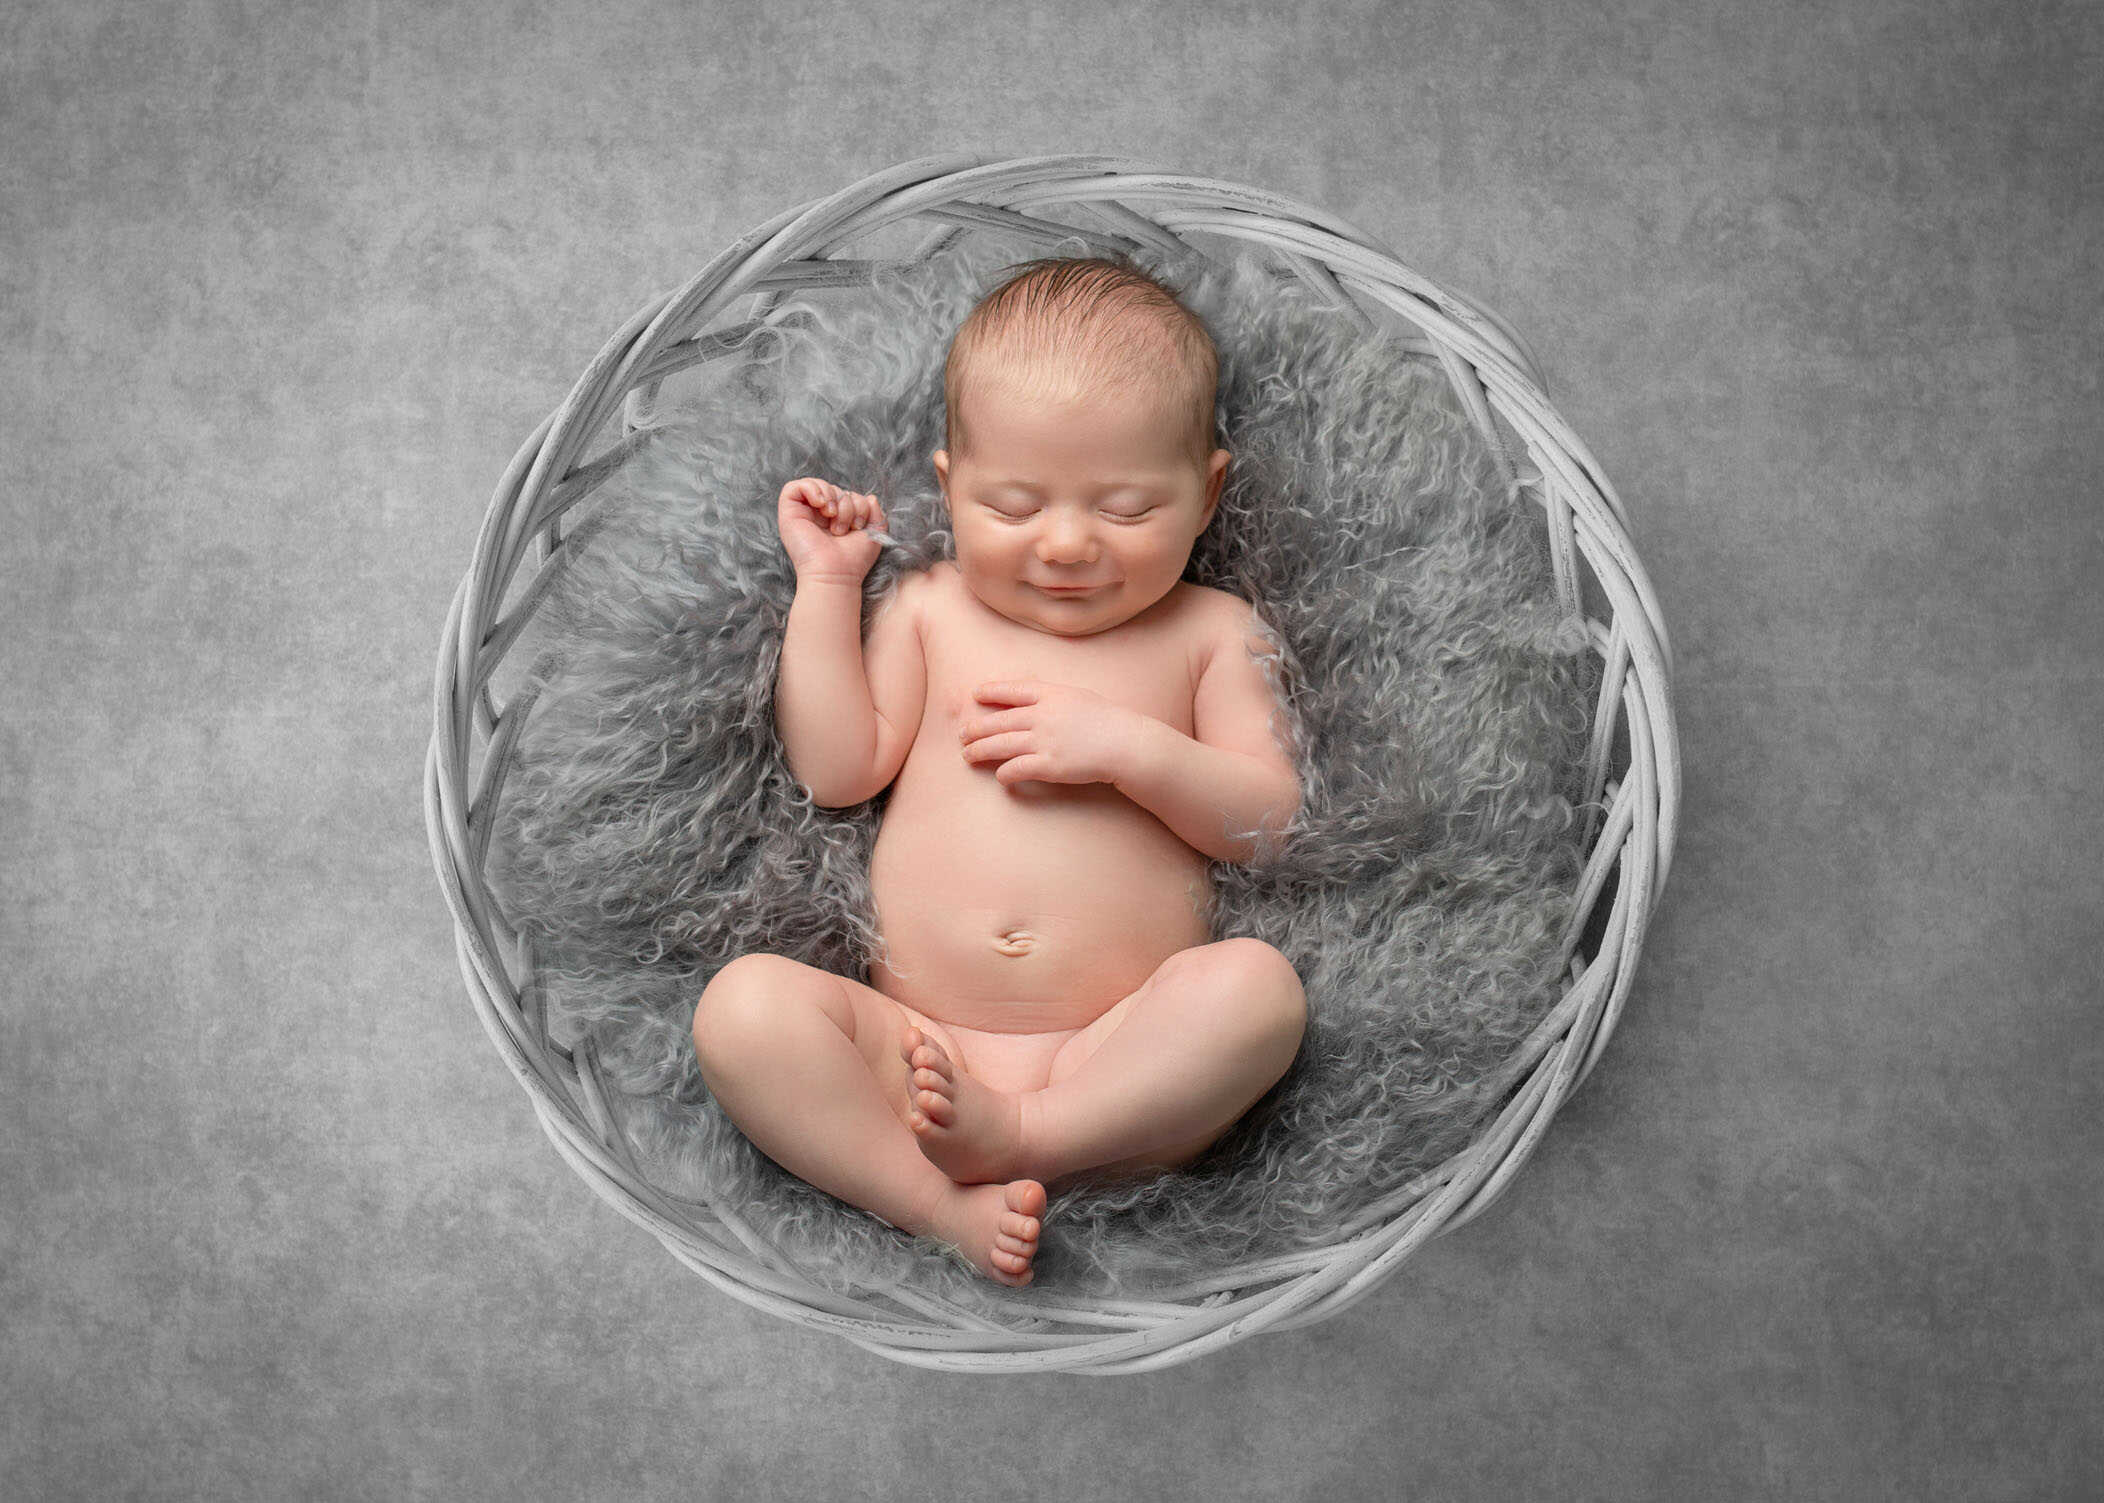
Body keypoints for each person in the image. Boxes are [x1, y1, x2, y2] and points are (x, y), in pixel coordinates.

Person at [692, 255, 1307, 1286]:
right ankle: (938, 1204)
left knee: (1258, 992)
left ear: (1206, 494)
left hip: (1116, 1064)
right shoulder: (931, 608)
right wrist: (829, 587)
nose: (1065, 544)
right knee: (741, 1010)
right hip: (915, 1058)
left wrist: (1130, 749)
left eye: (1125, 509)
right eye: (1014, 506)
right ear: (949, 487)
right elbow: (836, 769)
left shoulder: (1212, 632)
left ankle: (1031, 1134)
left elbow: (1271, 822)